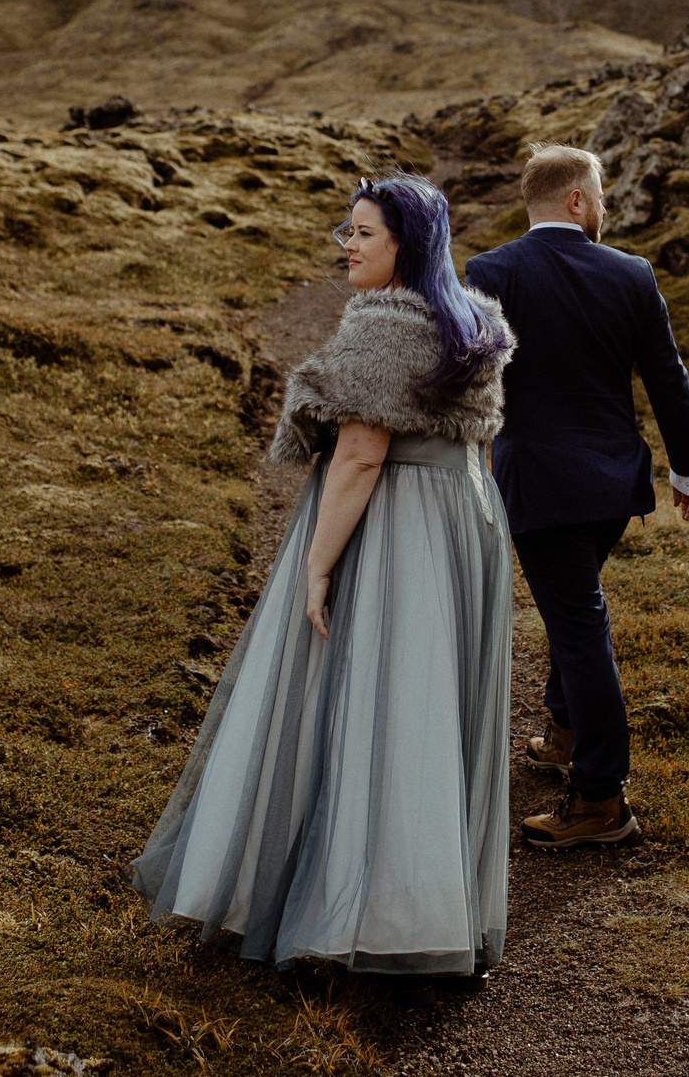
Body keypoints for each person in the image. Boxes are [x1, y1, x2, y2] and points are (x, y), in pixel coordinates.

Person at [129, 173, 518, 976]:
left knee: (369, 700)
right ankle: (428, 906)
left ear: (405, 243)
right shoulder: (474, 318)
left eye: (364, 233)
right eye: (346, 230)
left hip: (402, 522)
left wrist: (313, 564)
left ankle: (355, 910)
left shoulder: (384, 321)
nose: (347, 245)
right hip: (466, 517)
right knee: (430, 705)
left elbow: (362, 451)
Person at [462, 143, 689, 849]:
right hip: (612, 483)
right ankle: (567, 733)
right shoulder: (633, 273)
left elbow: (473, 377)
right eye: (599, 194)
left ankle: (601, 796)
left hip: (538, 482)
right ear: (575, 199)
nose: (604, 208)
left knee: (578, 622)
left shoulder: (492, 271)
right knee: (577, 609)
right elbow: (668, 374)